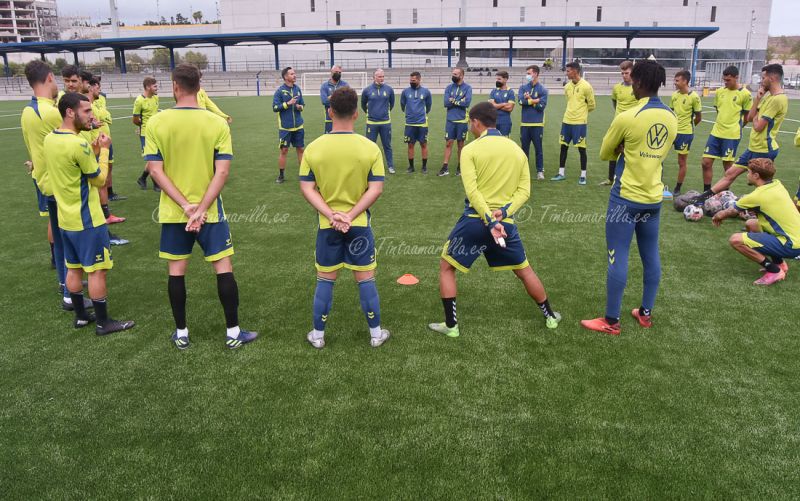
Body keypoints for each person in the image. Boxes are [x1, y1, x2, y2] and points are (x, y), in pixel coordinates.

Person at [145, 63, 257, 350]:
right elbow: (222, 172)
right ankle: (233, 333)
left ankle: (181, 333)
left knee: (176, 271)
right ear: (199, 87)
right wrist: (201, 208)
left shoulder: (156, 122)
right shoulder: (216, 123)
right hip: (211, 212)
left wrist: (185, 206)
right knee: (223, 267)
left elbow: (155, 171)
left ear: (175, 86)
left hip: (173, 212)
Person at [428, 102, 561, 338]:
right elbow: (524, 191)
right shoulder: (516, 149)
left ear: (477, 122)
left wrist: (490, 220)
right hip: (505, 225)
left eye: (470, 122)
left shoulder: (470, 150)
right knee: (524, 271)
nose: (470, 126)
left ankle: (451, 326)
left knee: (446, 267)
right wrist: (504, 213)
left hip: (475, 222)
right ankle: (550, 316)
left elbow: (473, 192)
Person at [580, 59, 677, 336]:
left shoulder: (628, 116)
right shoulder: (671, 117)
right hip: (654, 199)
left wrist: (624, 148)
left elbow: (604, 154)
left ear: (637, 82)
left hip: (625, 199)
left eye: (632, 80)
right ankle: (645, 313)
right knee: (651, 255)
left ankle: (611, 321)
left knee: (618, 255)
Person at [299, 87, 390, 349]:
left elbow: (307, 187)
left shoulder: (314, 148)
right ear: (357, 113)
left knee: (325, 279)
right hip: (358, 225)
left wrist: (331, 215)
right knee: (366, 279)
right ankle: (375, 334)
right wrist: (350, 215)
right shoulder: (370, 148)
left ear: (330, 111)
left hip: (327, 227)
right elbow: (376, 188)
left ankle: (318, 336)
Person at [45, 92, 135, 335]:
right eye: (86, 111)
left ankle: (82, 316)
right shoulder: (78, 143)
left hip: (66, 219)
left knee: (73, 268)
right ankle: (105, 323)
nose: (91, 116)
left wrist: (92, 152)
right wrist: (103, 151)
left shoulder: (51, 138)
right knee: (97, 270)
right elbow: (99, 179)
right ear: (70, 112)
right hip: (88, 220)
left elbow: (74, 169)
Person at [21, 60, 93, 312]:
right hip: (59, 184)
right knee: (67, 238)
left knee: (63, 237)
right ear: (50, 77)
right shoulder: (52, 113)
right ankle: (67, 290)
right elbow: (71, 138)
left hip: (44, 180)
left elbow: (32, 149)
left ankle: (68, 282)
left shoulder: (27, 111)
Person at [691, 64, 788, 204]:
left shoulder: (778, 99)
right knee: (730, 173)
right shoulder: (767, 96)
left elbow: (758, 127)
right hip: (753, 147)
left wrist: (755, 118)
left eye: (763, 77)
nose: (761, 81)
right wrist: (758, 99)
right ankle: (702, 199)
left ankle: (755, 213)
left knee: (760, 184)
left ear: (772, 78)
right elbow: (750, 118)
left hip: (765, 149)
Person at [712, 158, 800, 285]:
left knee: (735, 240)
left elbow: (728, 212)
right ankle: (780, 265)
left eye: (748, 172)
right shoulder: (777, 184)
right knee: (751, 224)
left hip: (791, 245)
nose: (747, 175)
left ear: (756, 175)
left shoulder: (756, 196)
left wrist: (717, 216)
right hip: (795, 237)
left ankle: (774, 270)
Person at [699, 65, 752, 192]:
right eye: (724, 80)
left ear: (736, 78)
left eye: (728, 80)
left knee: (727, 167)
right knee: (705, 162)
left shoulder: (745, 94)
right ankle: (707, 192)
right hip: (716, 132)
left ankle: (725, 194)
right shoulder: (720, 92)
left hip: (732, 135)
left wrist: (737, 127)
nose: (726, 82)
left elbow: (747, 116)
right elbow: (719, 110)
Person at [553, 61, 595, 184]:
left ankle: (583, 176)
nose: (567, 73)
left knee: (581, 149)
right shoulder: (567, 87)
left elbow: (592, 105)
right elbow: (569, 101)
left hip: (580, 122)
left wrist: (581, 114)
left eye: (568, 71)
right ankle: (561, 173)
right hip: (566, 121)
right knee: (563, 147)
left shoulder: (586, 86)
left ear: (576, 71)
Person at [601, 60, 638, 186]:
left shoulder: (638, 87)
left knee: (630, 152)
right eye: (622, 73)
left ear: (632, 73)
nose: (624, 75)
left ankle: (630, 179)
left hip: (633, 126)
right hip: (618, 124)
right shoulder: (617, 88)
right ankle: (610, 179)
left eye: (626, 73)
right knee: (613, 150)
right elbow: (614, 103)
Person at [668, 70, 702, 196]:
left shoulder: (694, 97)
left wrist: (688, 126)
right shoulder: (674, 95)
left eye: (677, 80)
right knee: (658, 155)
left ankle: (677, 187)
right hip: (672, 131)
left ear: (685, 81)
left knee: (681, 161)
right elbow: (671, 113)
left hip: (685, 133)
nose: (675, 83)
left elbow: (698, 117)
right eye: (675, 80)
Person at [272, 66, 305, 184]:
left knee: (301, 149)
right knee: (284, 150)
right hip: (285, 128)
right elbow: (275, 108)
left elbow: (302, 104)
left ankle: (303, 174)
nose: (294, 75)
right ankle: (281, 175)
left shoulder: (298, 89)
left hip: (299, 127)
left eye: (294, 73)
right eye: (292, 74)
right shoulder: (280, 91)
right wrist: (288, 104)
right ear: (285, 77)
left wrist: (300, 107)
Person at [361, 68, 396, 174]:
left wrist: (384, 113)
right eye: (380, 76)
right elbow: (363, 105)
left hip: (385, 123)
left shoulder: (389, 89)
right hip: (372, 123)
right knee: (370, 146)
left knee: (387, 145)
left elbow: (392, 104)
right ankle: (369, 166)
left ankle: (390, 166)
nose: (382, 78)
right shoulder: (367, 90)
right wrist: (371, 114)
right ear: (374, 77)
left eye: (383, 76)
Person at [440, 67, 472, 176]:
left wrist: (453, 100)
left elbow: (466, 103)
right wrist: (459, 100)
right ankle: (445, 167)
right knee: (448, 143)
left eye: (455, 74)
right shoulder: (449, 88)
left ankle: (460, 167)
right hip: (450, 120)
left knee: (460, 144)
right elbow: (446, 103)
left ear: (461, 76)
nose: (453, 76)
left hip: (462, 120)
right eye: (452, 74)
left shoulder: (468, 88)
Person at [518, 64, 548, 180]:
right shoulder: (523, 88)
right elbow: (520, 102)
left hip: (537, 124)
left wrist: (529, 99)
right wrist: (534, 100)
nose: (527, 76)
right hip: (524, 124)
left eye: (529, 73)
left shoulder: (543, 90)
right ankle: (524, 172)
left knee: (538, 149)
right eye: (527, 74)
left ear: (536, 74)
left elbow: (541, 107)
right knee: (524, 149)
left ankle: (540, 171)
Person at [400, 71, 432, 174]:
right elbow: (402, 105)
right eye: (410, 80)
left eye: (413, 80)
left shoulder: (426, 92)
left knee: (423, 144)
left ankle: (424, 167)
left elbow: (428, 106)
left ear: (419, 80)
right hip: (409, 123)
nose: (411, 82)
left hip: (422, 123)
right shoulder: (405, 92)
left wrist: (421, 114)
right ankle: (411, 167)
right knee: (410, 145)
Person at [133, 76, 160, 191]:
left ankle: (142, 178)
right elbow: (135, 119)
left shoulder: (155, 98)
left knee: (156, 157)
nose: (157, 88)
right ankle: (156, 184)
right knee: (152, 158)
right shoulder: (139, 100)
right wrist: (140, 127)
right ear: (148, 87)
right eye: (155, 86)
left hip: (156, 132)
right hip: (145, 134)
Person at [320, 65, 348, 134]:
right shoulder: (324, 86)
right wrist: (339, 98)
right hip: (329, 119)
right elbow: (324, 101)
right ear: (331, 72)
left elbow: (348, 101)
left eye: (340, 72)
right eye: (336, 72)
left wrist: (331, 97)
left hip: (343, 119)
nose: (338, 74)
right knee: (329, 142)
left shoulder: (345, 85)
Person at [488, 70, 515, 137]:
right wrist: (504, 104)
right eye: (496, 79)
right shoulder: (493, 91)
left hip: (505, 121)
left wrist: (496, 105)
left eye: (499, 79)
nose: (497, 81)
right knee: (493, 141)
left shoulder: (510, 92)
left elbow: (509, 108)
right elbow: (491, 106)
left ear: (505, 79)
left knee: (504, 142)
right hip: (493, 121)